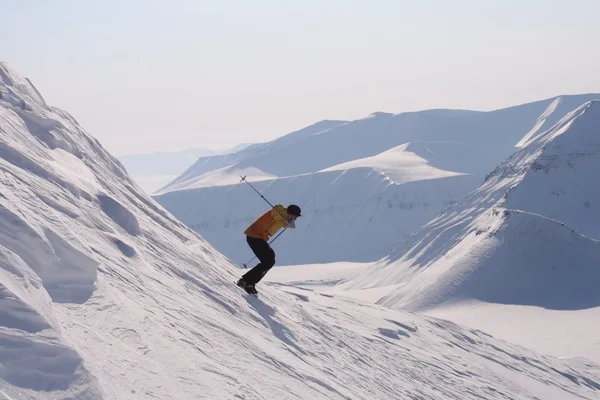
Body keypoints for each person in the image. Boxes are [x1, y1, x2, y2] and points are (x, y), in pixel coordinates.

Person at [237, 204, 301, 295]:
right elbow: (277, 212)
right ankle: (246, 281)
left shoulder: (283, 216)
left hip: (258, 237)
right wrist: (286, 218)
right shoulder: (278, 212)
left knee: (270, 259)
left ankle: (249, 282)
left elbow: (282, 222)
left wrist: (288, 222)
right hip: (254, 236)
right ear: (291, 213)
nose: (296, 218)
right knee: (268, 260)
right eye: (296, 216)